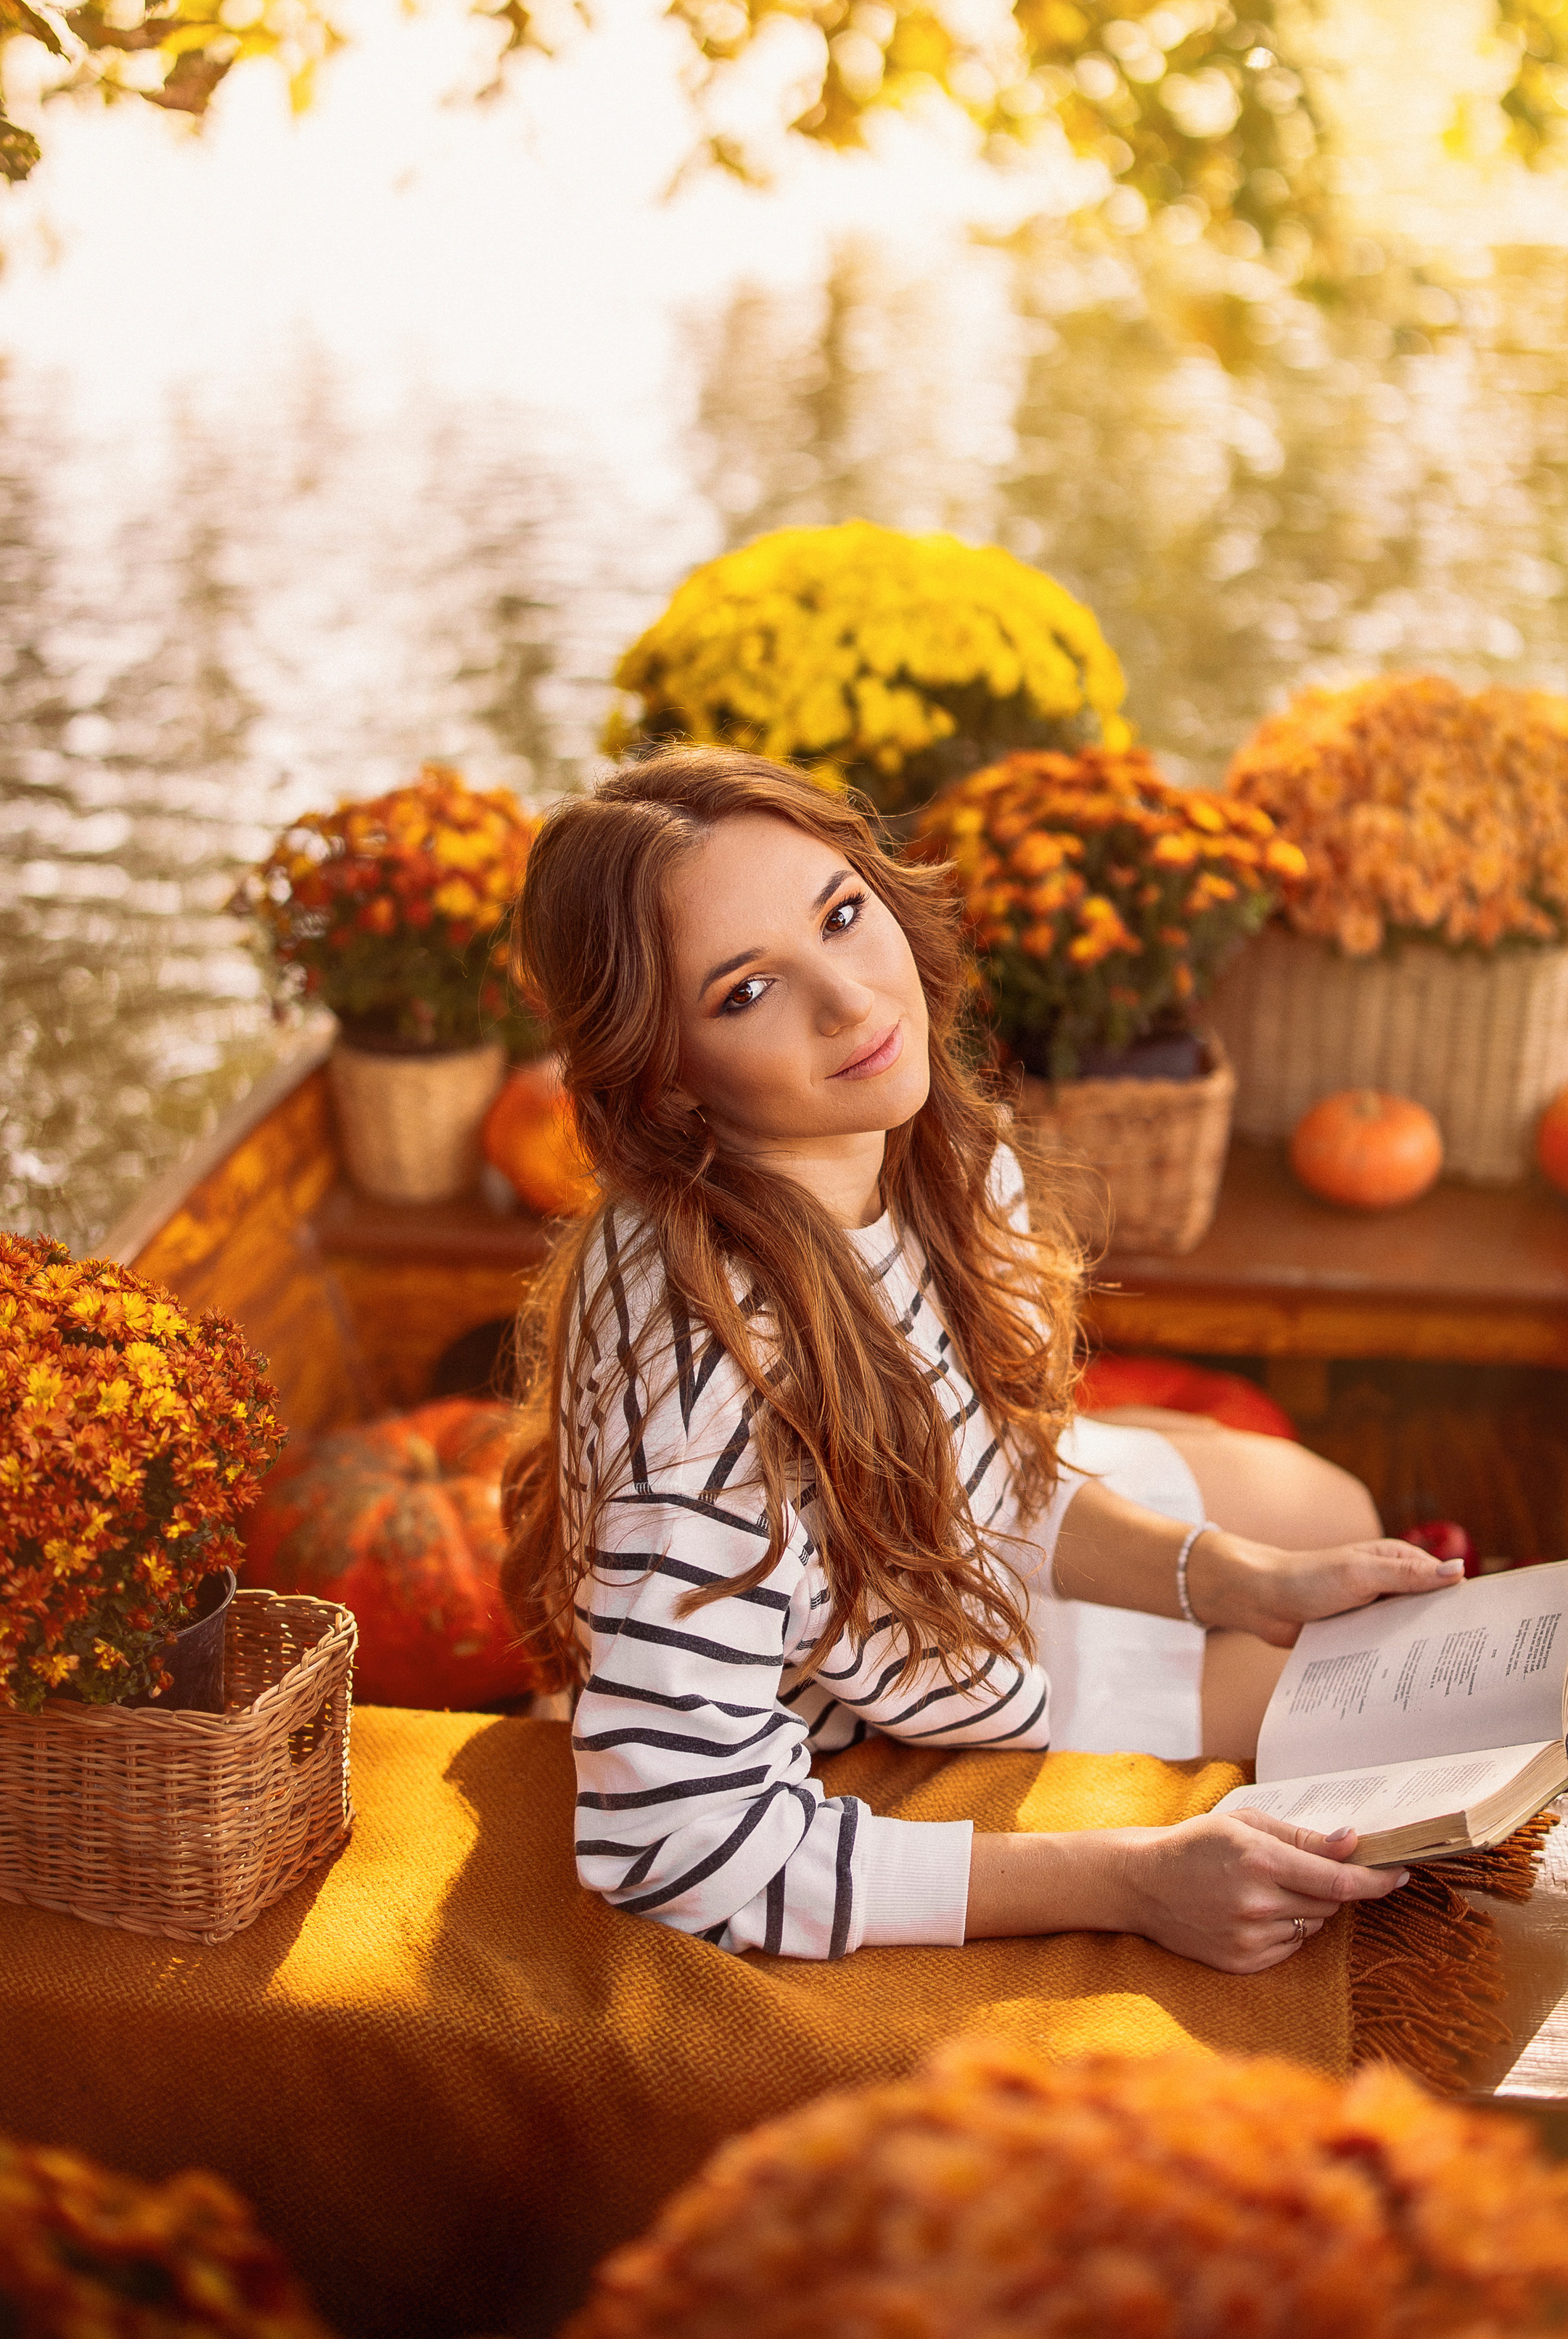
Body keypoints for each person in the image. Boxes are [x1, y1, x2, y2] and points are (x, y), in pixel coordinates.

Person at [500, 749, 1463, 1973]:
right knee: (1376, 1727)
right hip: (873, 1710)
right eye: (745, 993)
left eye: (842, 916)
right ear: (665, 1079)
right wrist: (1132, 1882)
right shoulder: (709, 1396)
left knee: (1325, 1516)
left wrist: (1237, 1583)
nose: (852, 1004)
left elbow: (984, 1464)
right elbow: (673, 1841)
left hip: (939, 1576)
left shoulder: (905, 1148)